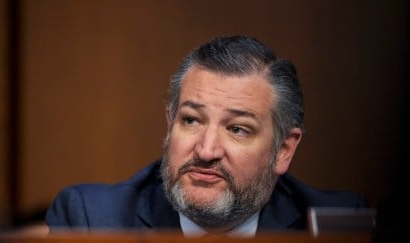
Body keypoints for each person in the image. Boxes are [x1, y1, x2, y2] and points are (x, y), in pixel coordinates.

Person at [45, 35, 367, 237]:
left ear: (283, 150)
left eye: (237, 129)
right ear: (170, 124)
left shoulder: (335, 226)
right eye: (191, 120)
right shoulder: (93, 220)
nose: (207, 149)